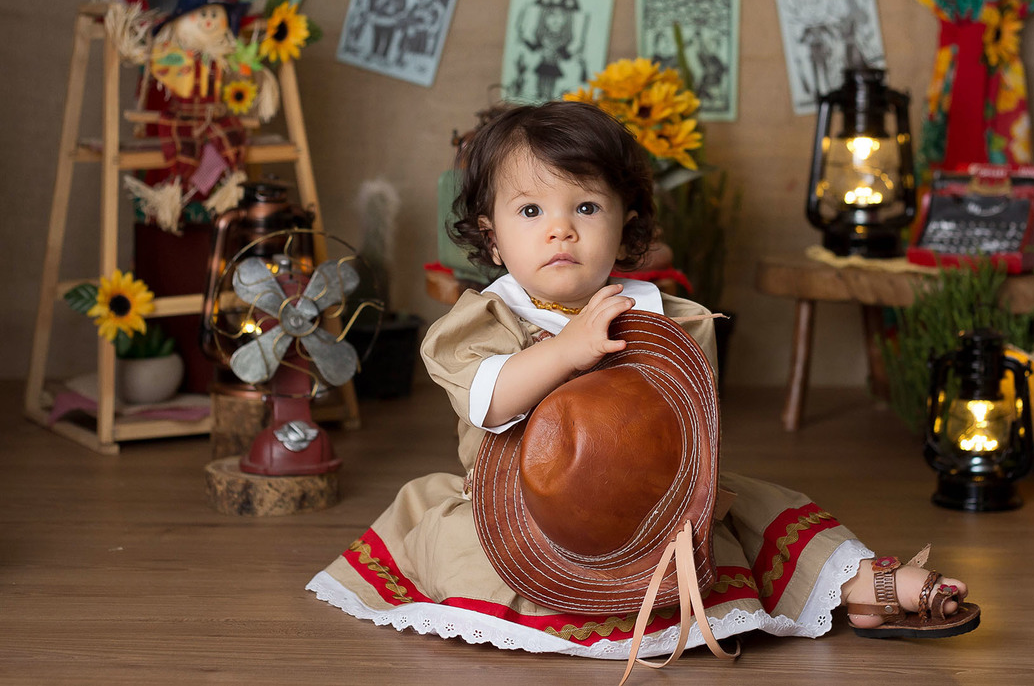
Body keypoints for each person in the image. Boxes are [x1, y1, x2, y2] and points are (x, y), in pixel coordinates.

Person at [307, 100, 977, 662]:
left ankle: (858, 583)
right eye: (531, 211)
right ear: (491, 238)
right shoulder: (488, 317)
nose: (561, 229)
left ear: (626, 225)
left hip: (652, 512)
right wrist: (568, 349)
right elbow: (489, 400)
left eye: (586, 207)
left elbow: (689, 422)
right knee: (457, 543)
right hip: (525, 514)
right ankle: (558, 611)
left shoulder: (663, 316)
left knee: (753, 504)